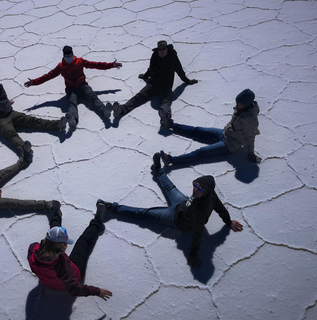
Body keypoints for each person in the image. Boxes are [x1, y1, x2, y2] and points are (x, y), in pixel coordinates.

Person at [98, 154, 243, 268]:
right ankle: (157, 170)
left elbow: (198, 234)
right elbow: (221, 209)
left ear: (206, 192)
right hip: (183, 204)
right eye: (195, 185)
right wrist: (228, 221)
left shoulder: (199, 210)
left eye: (199, 189)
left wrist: (192, 254)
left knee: (145, 213)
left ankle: (112, 207)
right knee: (170, 188)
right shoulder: (209, 194)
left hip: (176, 219)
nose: (195, 189)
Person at [0, 75, 68, 165]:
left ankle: (58, 124)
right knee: (10, 133)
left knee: (31, 120)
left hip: (11, 113)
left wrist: (8, 103)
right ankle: (25, 150)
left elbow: (3, 99)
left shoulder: (0, 87)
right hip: (0, 120)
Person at [27, 202, 113, 300]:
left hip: (48, 283)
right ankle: (97, 220)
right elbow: (74, 288)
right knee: (83, 242)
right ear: (57, 245)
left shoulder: (33, 248)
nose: (66, 245)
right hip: (72, 276)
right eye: (65, 243)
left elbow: (34, 268)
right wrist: (97, 291)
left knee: (55, 230)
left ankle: (56, 215)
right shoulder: (62, 263)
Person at [24, 45, 122, 129]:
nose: (69, 57)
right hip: (71, 90)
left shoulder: (80, 61)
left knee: (92, 96)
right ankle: (73, 120)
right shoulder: (61, 67)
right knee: (72, 103)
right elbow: (49, 76)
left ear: (72, 54)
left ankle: (104, 111)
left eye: (70, 55)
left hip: (83, 86)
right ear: (63, 56)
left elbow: (95, 65)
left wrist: (110, 65)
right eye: (67, 56)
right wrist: (34, 82)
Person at [160, 88, 261, 166]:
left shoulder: (250, 119)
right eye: (237, 102)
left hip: (230, 144)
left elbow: (250, 137)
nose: (236, 105)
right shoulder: (242, 108)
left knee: (201, 152)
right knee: (198, 130)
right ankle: (171, 125)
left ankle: (171, 160)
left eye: (239, 103)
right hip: (224, 133)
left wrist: (251, 154)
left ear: (246, 105)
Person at [111, 40, 197, 128]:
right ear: (158, 49)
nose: (162, 51)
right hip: (153, 84)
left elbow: (179, 70)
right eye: (160, 49)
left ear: (167, 48)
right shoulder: (155, 55)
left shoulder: (173, 57)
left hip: (165, 86)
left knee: (165, 102)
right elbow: (151, 68)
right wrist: (145, 76)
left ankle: (166, 117)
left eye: (163, 48)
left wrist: (187, 81)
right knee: (139, 96)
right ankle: (121, 110)